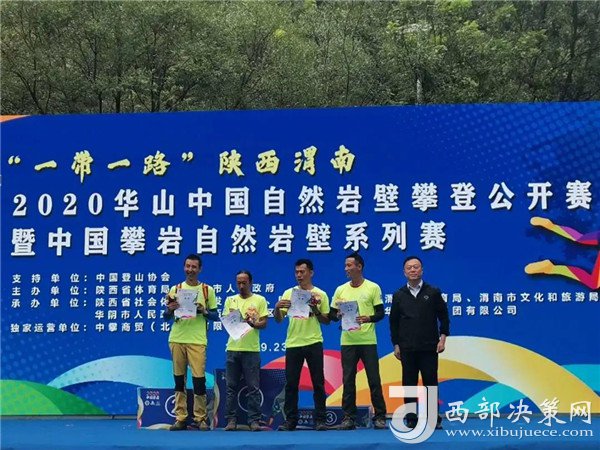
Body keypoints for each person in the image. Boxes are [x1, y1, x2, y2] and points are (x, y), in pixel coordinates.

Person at [389, 256, 450, 430]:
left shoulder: (433, 292)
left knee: (430, 382)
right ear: (404, 272)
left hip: (429, 346)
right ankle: (410, 418)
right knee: (409, 383)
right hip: (407, 347)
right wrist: (396, 344)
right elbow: (394, 322)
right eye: (409, 267)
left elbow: (444, 317)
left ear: (422, 270)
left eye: (416, 267)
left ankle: (432, 417)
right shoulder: (399, 295)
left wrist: (443, 338)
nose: (413, 270)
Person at [329, 252, 387, 430]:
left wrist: (368, 318)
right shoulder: (340, 290)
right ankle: (349, 418)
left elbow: (380, 313)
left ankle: (380, 416)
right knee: (348, 380)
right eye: (345, 265)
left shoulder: (372, 287)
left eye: (349, 265)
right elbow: (332, 315)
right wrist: (338, 315)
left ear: (359, 267)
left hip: (368, 341)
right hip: (348, 341)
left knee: (373, 379)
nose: (346, 269)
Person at [163, 253, 218, 431]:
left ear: (200, 269)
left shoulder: (207, 290)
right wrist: (170, 310)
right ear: (184, 267)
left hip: (197, 340)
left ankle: (200, 418)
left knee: (199, 380)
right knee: (179, 379)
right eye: (188, 266)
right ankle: (180, 417)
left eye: (194, 267)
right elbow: (165, 317)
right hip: (177, 339)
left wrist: (204, 311)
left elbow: (216, 316)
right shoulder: (175, 289)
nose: (190, 270)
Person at [274, 259, 331, 431]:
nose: (299, 275)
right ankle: (291, 420)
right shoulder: (288, 293)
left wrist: (315, 310)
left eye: (302, 272)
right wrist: (276, 308)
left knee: (318, 383)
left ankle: (320, 420)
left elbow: (327, 320)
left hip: (313, 341)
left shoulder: (320, 294)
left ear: (311, 273)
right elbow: (279, 319)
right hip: (293, 343)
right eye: (297, 272)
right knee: (291, 384)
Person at [222, 270, 269, 432]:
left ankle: (254, 420)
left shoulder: (259, 300)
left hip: (251, 350)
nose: (241, 286)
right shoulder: (230, 300)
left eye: (244, 283)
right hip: (232, 348)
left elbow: (264, 323)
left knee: (253, 387)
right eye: (239, 283)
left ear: (251, 283)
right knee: (231, 387)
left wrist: (253, 324)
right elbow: (226, 321)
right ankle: (231, 420)